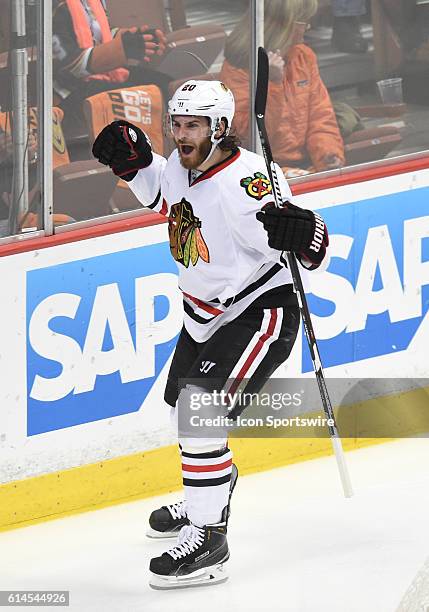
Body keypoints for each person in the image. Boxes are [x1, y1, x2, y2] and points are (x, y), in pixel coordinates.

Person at [92, 80, 329, 589]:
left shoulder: (248, 183)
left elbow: (309, 251)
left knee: (200, 414)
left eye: (192, 125)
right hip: (204, 313)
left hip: (258, 312)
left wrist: (304, 231)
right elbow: (167, 198)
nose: (181, 135)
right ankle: (209, 491)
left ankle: (209, 537)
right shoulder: (181, 165)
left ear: (219, 127)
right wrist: (136, 165)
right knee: (186, 410)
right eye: (176, 124)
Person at [219, 0, 345, 178]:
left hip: (306, 165)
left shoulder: (304, 56)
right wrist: (271, 84)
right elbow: (250, 137)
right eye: (303, 21)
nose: (308, 26)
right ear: (284, 25)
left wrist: (328, 156)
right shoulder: (238, 67)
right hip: (260, 170)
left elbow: (321, 116)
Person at [52, 0, 169, 132]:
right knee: (147, 97)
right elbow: (69, 67)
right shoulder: (53, 6)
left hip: (106, 75)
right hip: (68, 96)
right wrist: (122, 48)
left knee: (165, 85)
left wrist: (136, 38)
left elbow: (99, 34)